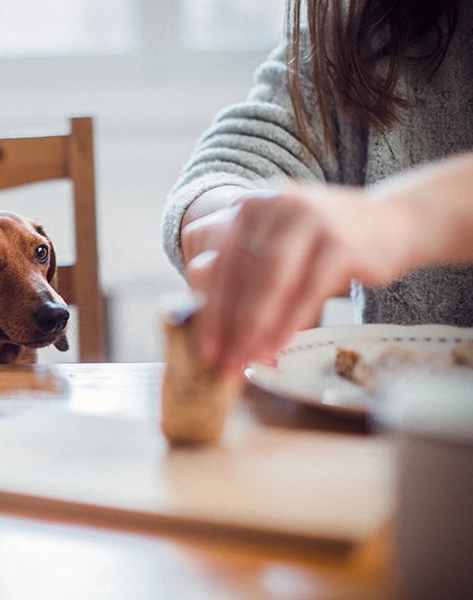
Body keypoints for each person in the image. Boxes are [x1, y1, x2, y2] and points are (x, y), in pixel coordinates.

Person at [162, 0, 473, 373]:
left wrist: (401, 217)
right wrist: (245, 220)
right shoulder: (364, 21)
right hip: (390, 426)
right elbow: (234, 162)